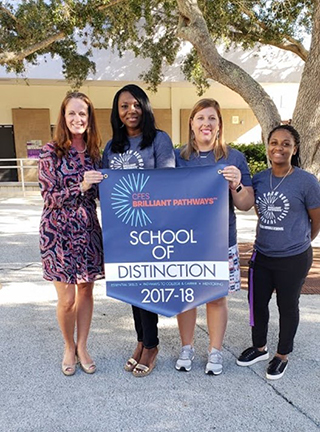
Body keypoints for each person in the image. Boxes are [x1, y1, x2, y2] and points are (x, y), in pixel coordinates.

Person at [175, 98, 254, 374]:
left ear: (219, 125)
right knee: (186, 295)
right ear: (191, 123)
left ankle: (215, 351)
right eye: (201, 118)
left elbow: (246, 204)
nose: (206, 123)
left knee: (216, 297)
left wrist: (237, 184)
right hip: (184, 240)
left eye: (212, 119)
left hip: (221, 240)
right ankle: (187, 347)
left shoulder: (234, 158)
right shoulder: (177, 158)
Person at [102, 84, 175, 377]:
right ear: (117, 113)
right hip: (122, 227)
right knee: (131, 286)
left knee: (146, 285)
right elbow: (105, 189)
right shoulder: (111, 147)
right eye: (124, 106)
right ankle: (141, 339)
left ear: (144, 107)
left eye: (135, 104)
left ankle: (152, 344)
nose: (130, 110)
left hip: (150, 227)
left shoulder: (158, 140)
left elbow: (168, 182)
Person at [237, 125, 320, 380]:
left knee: (287, 305)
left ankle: (282, 354)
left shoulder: (306, 181)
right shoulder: (260, 178)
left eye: (286, 143)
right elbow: (260, 212)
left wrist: (300, 241)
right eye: (274, 142)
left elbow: (316, 220)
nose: (279, 148)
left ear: (294, 149)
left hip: (293, 257)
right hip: (262, 254)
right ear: (267, 145)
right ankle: (259, 347)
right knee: (257, 303)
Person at [38, 92, 104, 376]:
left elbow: (105, 193)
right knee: (66, 299)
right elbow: (49, 196)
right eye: (72, 113)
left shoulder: (95, 153)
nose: (78, 119)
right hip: (58, 232)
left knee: (86, 289)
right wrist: (81, 186)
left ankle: (83, 345)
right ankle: (68, 345)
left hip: (88, 229)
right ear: (63, 117)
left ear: (89, 120)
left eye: (83, 114)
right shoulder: (50, 151)